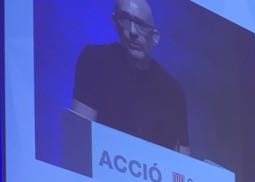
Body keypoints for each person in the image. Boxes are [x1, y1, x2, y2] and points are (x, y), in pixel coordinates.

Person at [73, 0, 190, 153]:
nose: (132, 31)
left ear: (155, 37)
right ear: (115, 22)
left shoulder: (173, 91)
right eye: (126, 20)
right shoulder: (95, 60)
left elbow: (183, 159)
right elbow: (79, 139)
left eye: (140, 24)